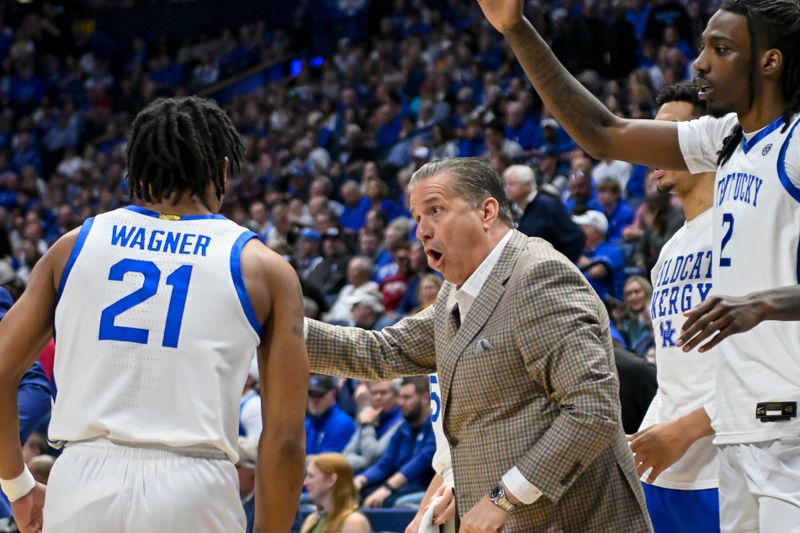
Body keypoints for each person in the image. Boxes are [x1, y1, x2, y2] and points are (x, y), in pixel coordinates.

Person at [476, 1, 800, 530]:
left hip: (790, 426)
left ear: (769, 62)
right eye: (702, 47)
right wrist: (516, 28)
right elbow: (602, 129)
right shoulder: (727, 142)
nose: (699, 64)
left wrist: (766, 302)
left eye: (721, 50)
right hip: (739, 432)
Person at [0, 96, 309, 533]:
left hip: (82, 478)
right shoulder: (264, 268)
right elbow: (286, 439)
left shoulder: (73, 246)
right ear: (222, 169)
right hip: (194, 487)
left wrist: (17, 486)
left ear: (138, 171)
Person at [304, 157, 651, 531]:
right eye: (417, 217)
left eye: (435, 211)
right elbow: (382, 350)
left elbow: (591, 410)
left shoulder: (538, 276)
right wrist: (280, 327)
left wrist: (504, 496)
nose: (421, 231)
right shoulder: (456, 293)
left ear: (487, 211)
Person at [626, 81, 720, 533]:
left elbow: (775, 367)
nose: (655, 146)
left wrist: (685, 431)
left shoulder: (744, 228)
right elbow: (674, 367)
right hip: (665, 467)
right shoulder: (669, 250)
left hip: (725, 466)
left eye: (671, 132)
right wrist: (647, 435)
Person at [354, 376, 435, 509]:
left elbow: (420, 462)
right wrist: (361, 480)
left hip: (424, 487)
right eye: (400, 397)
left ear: (425, 398)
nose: (401, 402)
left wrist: (388, 487)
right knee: (360, 494)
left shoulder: (435, 428)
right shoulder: (403, 428)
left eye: (407, 397)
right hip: (402, 486)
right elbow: (386, 463)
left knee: (387, 502)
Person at [502, 164, 585, 262]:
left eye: (512, 184)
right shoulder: (512, 208)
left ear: (528, 184)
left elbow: (576, 237)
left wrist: (563, 269)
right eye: (505, 184)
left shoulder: (547, 205)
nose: (506, 188)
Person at [300, 453, 372, 533]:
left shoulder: (353, 522)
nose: (305, 483)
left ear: (331, 480)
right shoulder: (311, 520)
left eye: (311, 476)